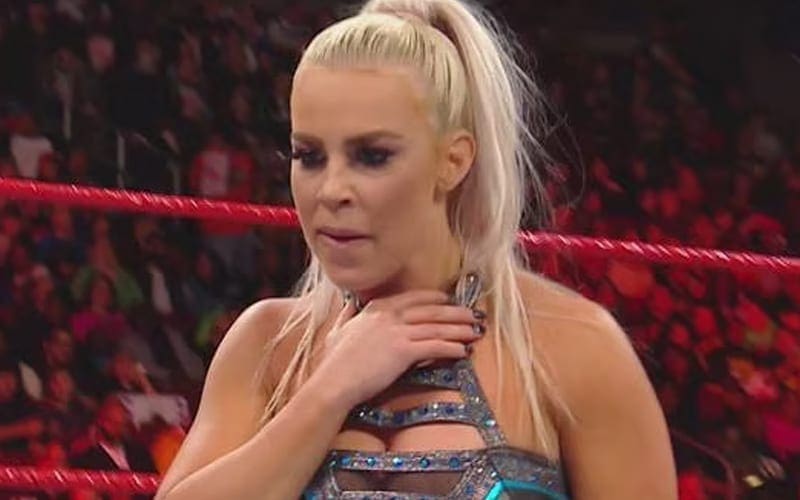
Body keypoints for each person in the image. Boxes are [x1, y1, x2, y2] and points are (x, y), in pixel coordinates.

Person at [157, 0, 676, 499]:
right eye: (308, 156)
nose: (331, 190)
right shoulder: (268, 344)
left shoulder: (573, 346)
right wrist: (329, 390)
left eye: (372, 156)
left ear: (454, 161)